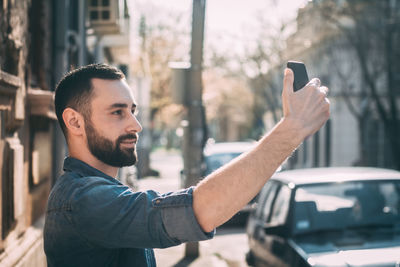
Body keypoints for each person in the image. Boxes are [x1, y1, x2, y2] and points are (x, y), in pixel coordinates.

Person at [44, 63, 330, 266]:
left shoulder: (98, 192)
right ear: (74, 122)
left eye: (133, 111)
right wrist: (291, 129)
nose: (136, 125)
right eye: (118, 112)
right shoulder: (82, 200)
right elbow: (199, 210)